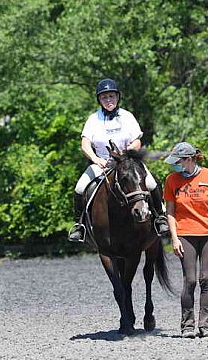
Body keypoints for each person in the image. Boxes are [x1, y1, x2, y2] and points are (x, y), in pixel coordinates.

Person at [68, 78, 169, 242]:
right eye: (104, 97)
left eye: (111, 96)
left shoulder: (127, 116)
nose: (108, 100)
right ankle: (80, 226)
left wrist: (126, 154)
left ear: (117, 97)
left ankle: (160, 218)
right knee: (80, 188)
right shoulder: (93, 119)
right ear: (99, 100)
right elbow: (85, 143)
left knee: (151, 182)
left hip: (128, 162)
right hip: (102, 163)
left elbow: (137, 141)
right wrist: (95, 159)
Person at [163, 142, 208, 338]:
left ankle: (206, 325)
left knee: (206, 279)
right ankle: (187, 325)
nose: (175, 165)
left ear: (189, 159)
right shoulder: (171, 180)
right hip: (185, 234)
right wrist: (174, 238)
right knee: (190, 280)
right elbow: (170, 212)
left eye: (178, 161)